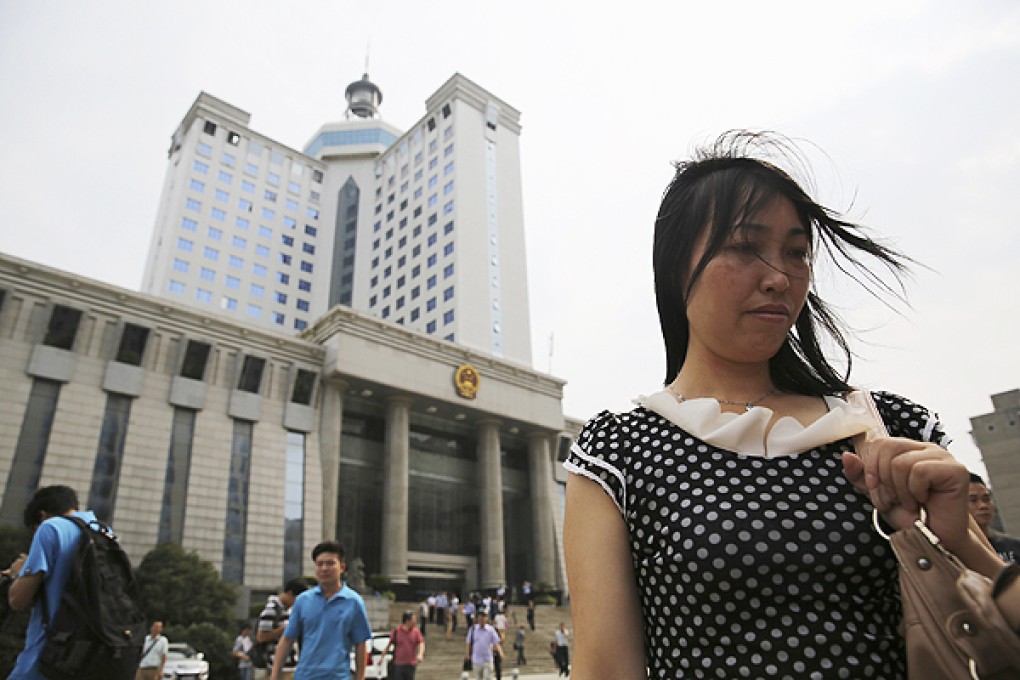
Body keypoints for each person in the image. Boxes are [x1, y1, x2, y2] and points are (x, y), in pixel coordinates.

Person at [562, 131, 1012, 679]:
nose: (779, 278)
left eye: (796, 252)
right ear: (677, 266)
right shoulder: (618, 451)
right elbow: (606, 669)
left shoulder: (892, 426)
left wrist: (959, 538)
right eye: (745, 247)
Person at [4, 485, 103, 680]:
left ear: (42, 515)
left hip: (47, 655)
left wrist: (18, 573)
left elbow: (17, 601)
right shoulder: (102, 531)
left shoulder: (51, 527)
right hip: (89, 654)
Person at [269, 541, 371, 680]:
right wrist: (274, 676)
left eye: (330, 563)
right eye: (319, 564)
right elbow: (287, 639)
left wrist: (360, 678)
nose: (324, 568)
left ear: (341, 567)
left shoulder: (354, 602)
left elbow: (361, 644)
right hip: (305, 676)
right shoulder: (303, 601)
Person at [257, 578, 309, 680]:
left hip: (291, 664)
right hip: (279, 666)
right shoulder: (271, 609)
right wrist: (284, 628)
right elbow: (261, 637)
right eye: (297, 599)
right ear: (290, 593)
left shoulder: (287, 610)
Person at [969, 472, 1020, 564]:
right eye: (973, 500)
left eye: (986, 499)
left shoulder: (1014, 546)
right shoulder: (953, 553)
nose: (983, 506)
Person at [383, 610, 424, 680]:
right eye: (414, 619)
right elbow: (389, 644)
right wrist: (382, 657)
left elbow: (421, 643)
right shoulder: (396, 631)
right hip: (398, 664)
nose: (415, 621)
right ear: (407, 621)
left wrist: (420, 654)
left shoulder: (416, 632)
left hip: (411, 664)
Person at [464, 609, 503, 680]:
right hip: (476, 659)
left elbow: (496, 642)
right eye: (480, 617)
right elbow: (468, 643)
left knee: (487, 677)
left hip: (487, 658)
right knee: (478, 678)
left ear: (487, 618)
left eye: (484, 617)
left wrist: (500, 652)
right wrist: (467, 654)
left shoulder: (491, 630)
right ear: (477, 618)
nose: (482, 619)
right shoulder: (473, 629)